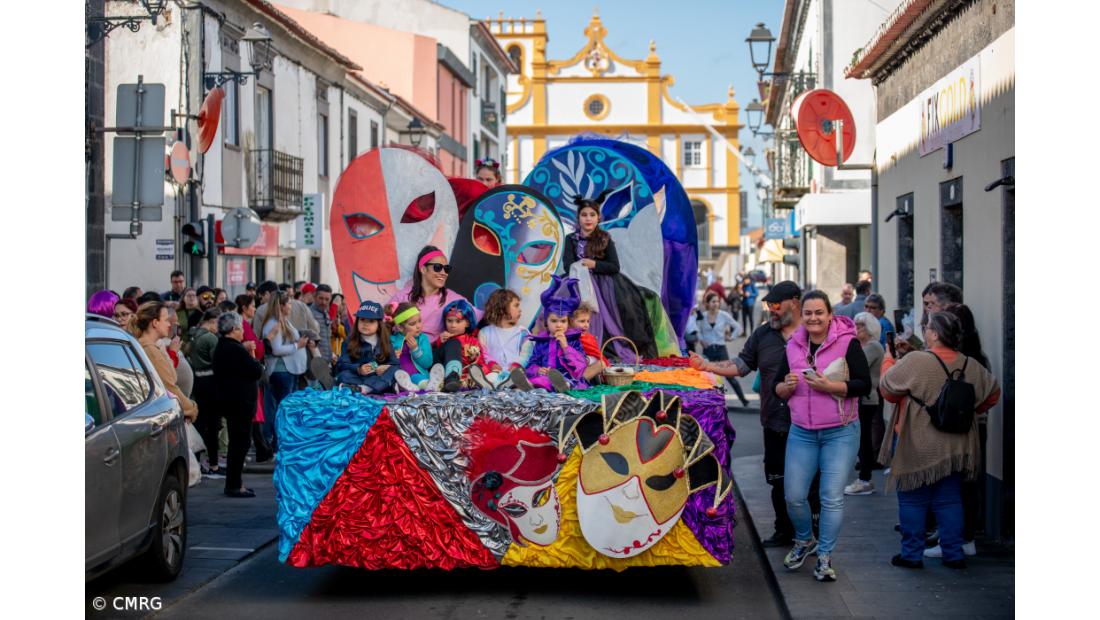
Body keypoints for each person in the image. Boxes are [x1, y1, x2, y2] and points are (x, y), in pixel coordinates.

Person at [690, 281, 820, 548]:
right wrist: (707, 366)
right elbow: (741, 365)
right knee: (777, 481)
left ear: (794, 303)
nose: (770, 310)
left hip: (810, 423)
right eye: (767, 305)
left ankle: (815, 534)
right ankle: (783, 530)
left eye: (775, 305)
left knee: (812, 483)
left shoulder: (814, 333)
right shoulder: (763, 335)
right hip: (775, 421)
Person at [880, 311, 1000, 570]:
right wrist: (969, 410)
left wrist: (888, 361)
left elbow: (887, 389)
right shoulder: (970, 364)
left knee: (912, 499)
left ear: (934, 333)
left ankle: (911, 555)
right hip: (956, 445)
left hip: (918, 441)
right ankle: (953, 553)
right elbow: (993, 393)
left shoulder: (916, 361)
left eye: (927, 328)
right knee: (949, 500)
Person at [773, 290, 871, 582]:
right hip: (802, 431)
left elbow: (864, 385)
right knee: (794, 496)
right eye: (808, 313)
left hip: (840, 432)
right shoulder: (793, 345)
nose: (813, 318)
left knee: (830, 497)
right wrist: (786, 387)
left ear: (829, 315)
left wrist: (831, 387)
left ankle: (825, 556)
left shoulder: (848, 343)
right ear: (801, 316)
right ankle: (805, 540)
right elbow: (778, 387)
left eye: (819, 313)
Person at [561, 193, 658, 359]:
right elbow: (567, 264)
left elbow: (614, 266)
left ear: (598, 218)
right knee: (574, 312)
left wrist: (594, 265)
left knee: (610, 317)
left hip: (604, 286)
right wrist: (579, 268)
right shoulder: (570, 239)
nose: (588, 219)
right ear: (578, 218)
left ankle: (603, 350)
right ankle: (574, 350)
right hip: (578, 282)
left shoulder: (605, 239)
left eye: (592, 215)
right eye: (584, 215)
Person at [389, 246, 473, 392]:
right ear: (423, 269)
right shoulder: (402, 297)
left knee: (453, 343)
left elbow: (476, 315)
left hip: (434, 356)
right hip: (406, 354)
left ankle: (452, 379)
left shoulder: (453, 298)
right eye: (437, 267)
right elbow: (387, 324)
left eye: (446, 269)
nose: (443, 273)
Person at [512, 275, 588, 392]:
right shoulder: (541, 342)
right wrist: (538, 369)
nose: (558, 325)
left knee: (561, 382)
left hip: (568, 378)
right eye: (554, 321)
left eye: (563, 321)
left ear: (568, 322)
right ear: (546, 322)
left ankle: (561, 386)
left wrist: (565, 347)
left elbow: (581, 365)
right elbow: (532, 364)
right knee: (541, 380)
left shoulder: (573, 340)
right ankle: (530, 387)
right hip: (545, 377)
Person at [130, 301, 198, 422]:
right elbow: (169, 388)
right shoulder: (150, 350)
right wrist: (192, 408)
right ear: (155, 323)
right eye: (166, 320)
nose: (169, 325)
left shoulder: (151, 347)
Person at [844, 313, 884, 496]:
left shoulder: (873, 346)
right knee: (861, 439)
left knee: (864, 440)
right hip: (864, 398)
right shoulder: (863, 346)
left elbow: (851, 367)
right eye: (856, 324)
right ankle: (864, 478)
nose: (856, 328)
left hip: (867, 399)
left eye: (860, 325)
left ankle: (865, 479)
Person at [259, 291, 310, 430]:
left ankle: (280, 440)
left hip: (288, 370)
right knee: (283, 408)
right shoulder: (273, 324)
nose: (290, 306)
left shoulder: (282, 321)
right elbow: (276, 349)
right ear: (281, 305)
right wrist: (297, 345)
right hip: (281, 371)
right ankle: (277, 442)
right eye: (288, 303)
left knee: (286, 407)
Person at [438, 299, 506, 390]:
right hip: (452, 376)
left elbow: (481, 361)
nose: (453, 325)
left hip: (470, 375)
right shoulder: (444, 339)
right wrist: (440, 342)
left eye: (458, 321)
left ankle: (499, 381)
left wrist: (476, 363)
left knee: (490, 370)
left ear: (467, 323)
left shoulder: (473, 341)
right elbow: (436, 357)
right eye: (449, 321)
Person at [696, 291, 749, 407]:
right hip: (708, 350)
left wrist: (731, 337)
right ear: (708, 303)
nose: (716, 304)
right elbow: (698, 329)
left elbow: (738, 327)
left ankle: (744, 400)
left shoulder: (723, 315)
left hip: (721, 349)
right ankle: (710, 402)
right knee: (708, 377)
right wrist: (701, 340)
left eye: (717, 301)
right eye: (713, 301)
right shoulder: (703, 316)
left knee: (729, 376)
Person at [189, 308, 225, 477]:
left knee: (201, 422)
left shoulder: (194, 335)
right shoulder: (210, 338)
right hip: (211, 383)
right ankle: (214, 464)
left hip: (198, 381)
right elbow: (218, 362)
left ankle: (197, 460)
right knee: (212, 424)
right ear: (213, 321)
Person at [335, 301, 398, 394]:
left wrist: (387, 367)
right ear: (357, 322)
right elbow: (342, 364)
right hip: (357, 377)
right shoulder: (349, 342)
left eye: (371, 321)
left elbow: (396, 364)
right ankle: (377, 388)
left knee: (393, 372)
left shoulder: (385, 342)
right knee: (343, 376)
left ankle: (363, 389)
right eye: (362, 319)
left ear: (379, 324)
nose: (365, 324)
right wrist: (358, 369)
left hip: (377, 377)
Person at [390, 302, 444, 392]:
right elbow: (384, 360)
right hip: (399, 376)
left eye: (419, 321)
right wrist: (393, 355)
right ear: (400, 327)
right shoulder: (392, 340)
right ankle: (414, 387)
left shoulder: (422, 339)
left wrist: (416, 350)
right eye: (412, 324)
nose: (418, 326)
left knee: (417, 378)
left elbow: (428, 363)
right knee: (395, 379)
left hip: (417, 375)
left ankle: (429, 386)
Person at [479, 288, 534, 376]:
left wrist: (517, 364)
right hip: (493, 372)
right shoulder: (484, 333)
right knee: (490, 376)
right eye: (516, 305)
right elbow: (483, 353)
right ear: (502, 308)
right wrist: (491, 364)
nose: (520, 310)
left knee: (518, 376)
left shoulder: (522, 332)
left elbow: (526, 354)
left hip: (515, 373)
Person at [253, 280, 320, 338]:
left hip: (275, 351)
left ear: (267, 294)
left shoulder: (261, 310)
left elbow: (257, 337)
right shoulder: (301, 305)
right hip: (301, 350)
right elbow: (315, 329)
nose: (260, 301)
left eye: (260, 298)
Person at [569, 302, 607, 383]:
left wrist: (588, 360)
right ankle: (571, 382)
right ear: (571, 321)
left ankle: (573, 383)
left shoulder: (588, 338)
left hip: (583, 370)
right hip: (570, 369)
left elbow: (596, 355)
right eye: (582, 321)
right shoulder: (569, 337)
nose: (586, 325)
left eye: (588, 321)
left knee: (601, 364)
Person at [331, 292, 349, 362]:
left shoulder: (340, 317)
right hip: (332, 355)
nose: (344, 307)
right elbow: (345, 334)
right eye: (342, 304)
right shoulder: (332, 317)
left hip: (339, 355)